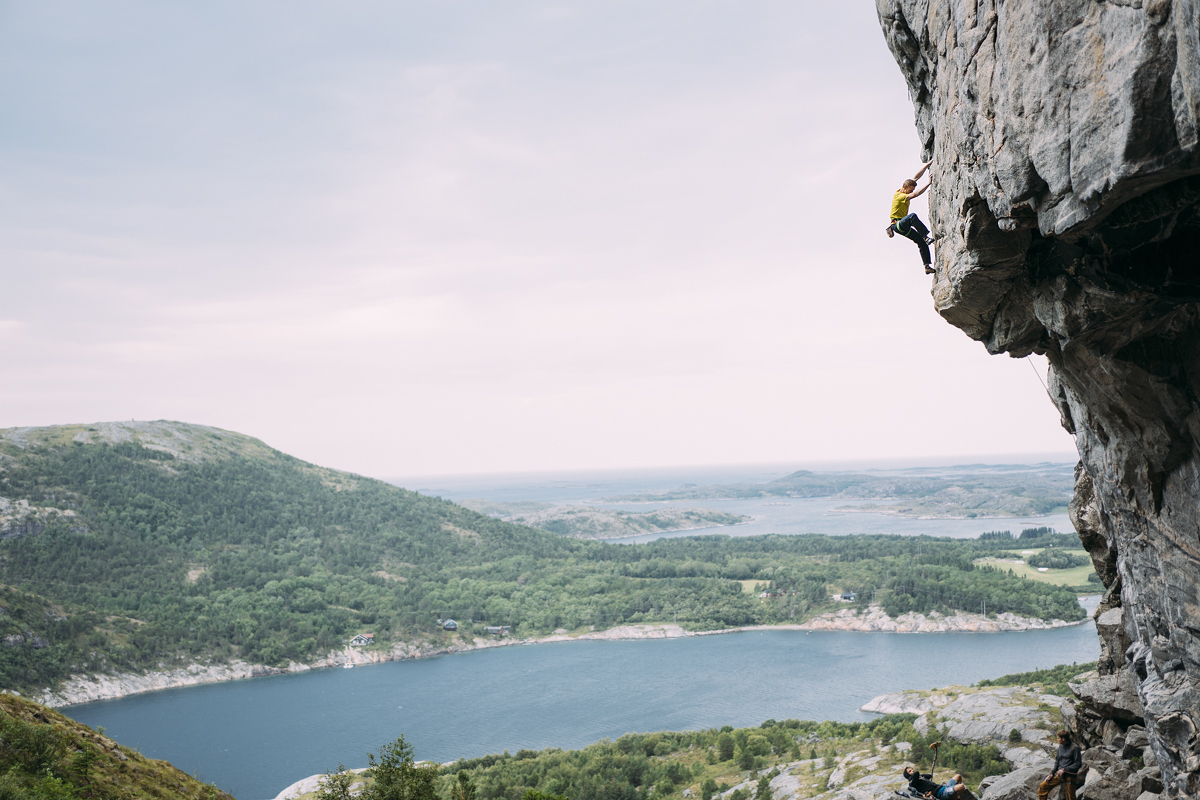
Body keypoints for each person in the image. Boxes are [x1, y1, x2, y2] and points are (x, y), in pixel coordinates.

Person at [887, 160, 935, 274]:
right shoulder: (900, 195)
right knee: (912, 216)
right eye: (910, 190)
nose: (911, 192)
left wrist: (927, 165)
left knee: (921, 244)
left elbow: (915, 177)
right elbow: (915, 195)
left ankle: (927, 266)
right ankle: (925, 236)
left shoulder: (904, 187)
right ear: (905, 188)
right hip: (897, 224)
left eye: (912, 189)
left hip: (903, 227)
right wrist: (929, 183)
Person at [1038, 731, 1082, 800]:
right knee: (1043, 786)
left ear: (1063, 739)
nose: (1057, 739)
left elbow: (1078, 764)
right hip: (1059, 775)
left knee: (1070, 797)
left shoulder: (1075, 748)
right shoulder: (1061, 746)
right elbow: (1057, 761)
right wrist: (1051, 774)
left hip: (1070, 775)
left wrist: (1065, 769)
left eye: (1058, 738)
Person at [902, 766, 967, 800]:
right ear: (909, 776)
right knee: (961, 787)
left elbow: (930, 776)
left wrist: (921, 776)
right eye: (910, 771)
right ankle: (956, 798)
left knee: (958, 776)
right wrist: (911, 778)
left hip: (943, 787)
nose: (912, 770)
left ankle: (955, 796)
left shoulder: (919, 778)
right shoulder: (912, 783)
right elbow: (916, 773)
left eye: (911, 769)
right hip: (940, 793)